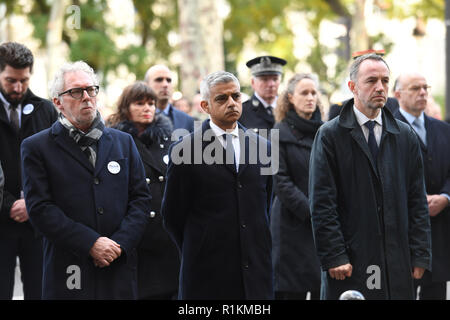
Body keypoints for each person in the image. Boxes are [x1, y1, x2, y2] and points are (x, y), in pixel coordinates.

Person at [21, 61, 151, 299]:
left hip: (117, 266)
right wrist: (91, 243)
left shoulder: (124, 142)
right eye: (76, 92)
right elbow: (40, 208)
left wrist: (119, 244)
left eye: (91, 90)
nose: (87, 97)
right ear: (57, 102)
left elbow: (141, 199)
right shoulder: (36, 147)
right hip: (69, 269)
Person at [309, 53, 432, 300]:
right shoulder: (330, 135)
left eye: (385, 81)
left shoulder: (404, 135)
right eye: (371, 80)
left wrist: (420, 253)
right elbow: (322, 203)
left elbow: (416, 199)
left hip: (396, 259)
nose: (380, 87)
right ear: (352, 87)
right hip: (351, 261)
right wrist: (335, 255)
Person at [161, 71, 274, 299]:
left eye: (236, 96)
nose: (231, 103)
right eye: (222, 98)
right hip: (207, 275)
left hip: (255, 275)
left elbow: (264, 204)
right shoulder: (185, 150)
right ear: (205, 106)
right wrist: (200, 246)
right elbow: (172, 215)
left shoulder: (264, 146)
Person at [107, 81, 180, 299]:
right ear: (126, 107)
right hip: (136, 235)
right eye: (139, 103)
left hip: (167, 235)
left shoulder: (167, 139)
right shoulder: (114, 141)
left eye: (151, 103)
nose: (147, 108)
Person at [0, 41, 58, 300]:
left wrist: (32, 203)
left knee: (41, 291)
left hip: (38, 223)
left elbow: (57, 163)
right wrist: (8, 204)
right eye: (11, 80)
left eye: (23, 80)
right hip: (0, 223)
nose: (18, 87)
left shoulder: (46, 110)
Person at [393, 72, 450, 300]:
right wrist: (416, 201)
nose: (423, 93)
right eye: (415, 88)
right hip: (403, 232)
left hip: (439, 231)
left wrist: (445, 197)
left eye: (426, 87)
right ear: (398, 94)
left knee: (436, 293)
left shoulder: (443, 129)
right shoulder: (387, 130)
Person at [271, 73, 322, 300]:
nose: (310, 98)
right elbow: (280, 182)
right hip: (290, 225)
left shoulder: (326, 131)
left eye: (313, 93)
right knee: (292, 292)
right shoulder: (277, 133)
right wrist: (312, 211)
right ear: (291, 97)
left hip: (322, 226)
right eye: (304, 93)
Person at [239, 55, 286, 133]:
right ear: (253, 82)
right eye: (264, 79)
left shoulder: (289, 109)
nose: (271, 84)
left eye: (275, 79)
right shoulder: (241, 113)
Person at [145, 65, 194, 132]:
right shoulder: (137, 120)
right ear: (147, 84)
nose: (165, 84)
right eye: (159, 80)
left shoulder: (187, 121)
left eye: (169, 80)